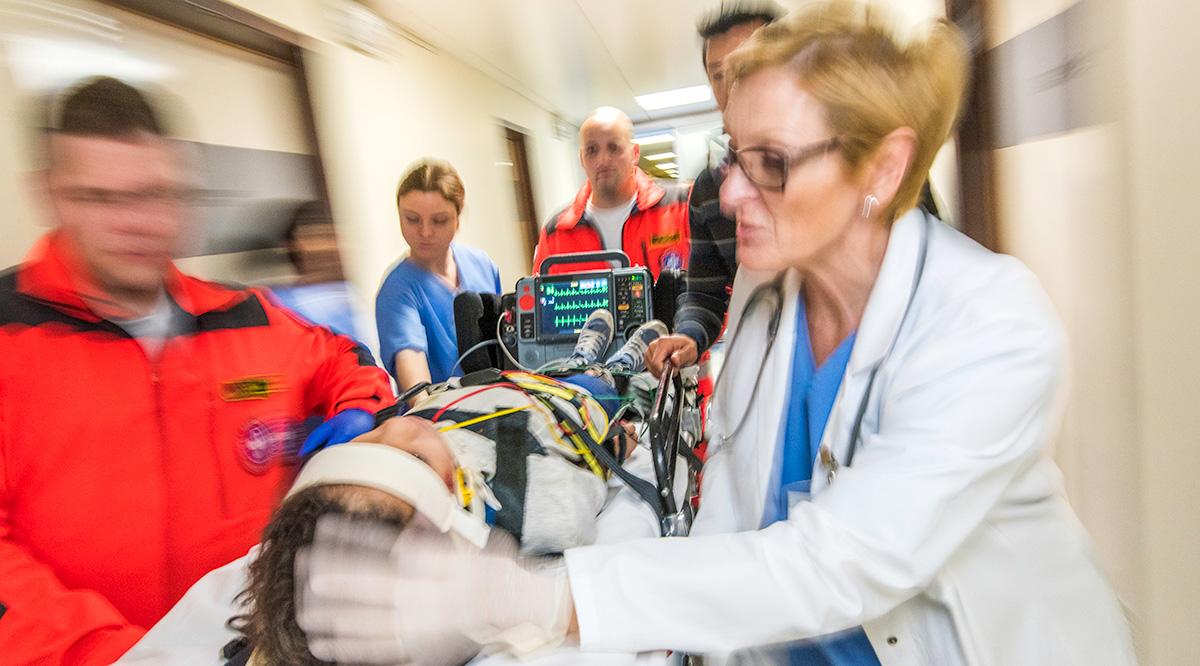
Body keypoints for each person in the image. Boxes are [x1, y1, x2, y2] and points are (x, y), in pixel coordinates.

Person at [293, 4, 1137, 664]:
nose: (728, 195)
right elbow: (727, 518)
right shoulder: (770, 311)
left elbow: (836, 564)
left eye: (770, 163)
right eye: (733, 155)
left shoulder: (990, 325)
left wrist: (538, 599)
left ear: (881, 169)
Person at [0, 76, 394, 664]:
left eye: (158, 194)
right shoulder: (13, 341)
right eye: (103, 198)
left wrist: (361, 417)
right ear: (52, 195)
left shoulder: (245, 317)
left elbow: (345, 358)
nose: (138, 222)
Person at [116, 312, 674, 666]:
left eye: (374, 439)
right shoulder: (538, 510)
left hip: (480, 391)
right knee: (593, 386)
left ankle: (585, 352)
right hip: (554, 415)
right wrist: (620, 446)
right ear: (453, 506)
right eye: (409, 458)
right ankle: (620, 365)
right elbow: (591, 473)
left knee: (561, 368)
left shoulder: (411, 422)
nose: (399, 427)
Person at [647, 2, 781, 376]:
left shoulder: (843, 164)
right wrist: (689, 336)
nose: (732, 84)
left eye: (747, 64)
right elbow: (704, 292)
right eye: (718, 74)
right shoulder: (709, 190)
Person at [376, 158, 502, 393]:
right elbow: (416, 386)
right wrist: (426, 407)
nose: (425, 232)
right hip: (442, 418)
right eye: (412, 219)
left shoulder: (482, 266)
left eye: (439, 220)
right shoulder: (398, 289)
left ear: (458, 217)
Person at [531, 106, 689, 280]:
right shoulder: (556, 234)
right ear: (582, 159)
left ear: (634, 153)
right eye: (592, 150)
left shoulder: (682, 207)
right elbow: (542, 303)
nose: (603, 160)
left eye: (613, 148)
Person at [270, 200, 376, 355]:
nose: (327, 246)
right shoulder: (277, 305)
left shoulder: (362, 292)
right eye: (316, 237)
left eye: (332, 236)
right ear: (292, 245)